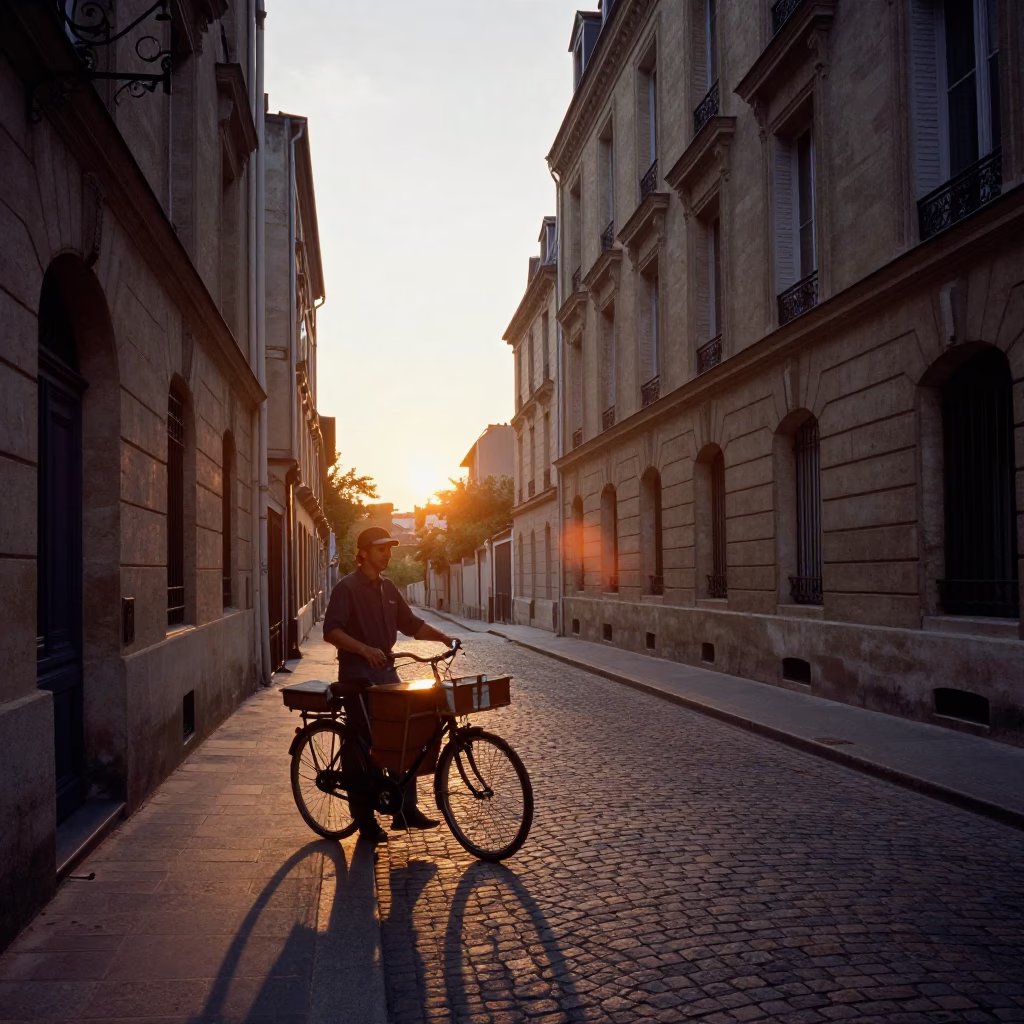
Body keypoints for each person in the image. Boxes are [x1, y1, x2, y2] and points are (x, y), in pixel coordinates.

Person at [322, 526, 455, 844]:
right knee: (363, 747)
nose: (388, 554)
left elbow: (411, 624)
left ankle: (405, 810)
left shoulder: (388, 587)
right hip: (357, 678)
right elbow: (331, 631)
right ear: (364, 552)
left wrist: (443, 637)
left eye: (389, 549)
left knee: (406, 737)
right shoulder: (346, 588)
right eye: (381, 549)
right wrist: (365, 650)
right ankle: (364, 819)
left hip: (387, 676)